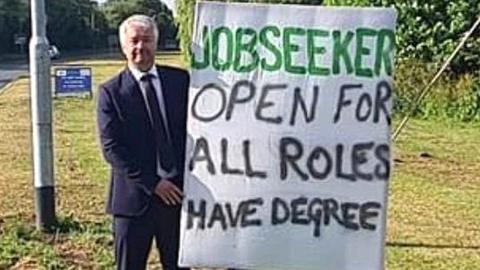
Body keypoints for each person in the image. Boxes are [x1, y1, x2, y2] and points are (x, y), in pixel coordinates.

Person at [97, 14, 190, 270]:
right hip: (133, 202)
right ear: (124, 47)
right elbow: (112, 149)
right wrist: (154, 183)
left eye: (147, 40)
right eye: (134, 41)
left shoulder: (181, 81)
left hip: (178, 197)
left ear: (156, 43)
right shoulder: (110, 92)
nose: (141, 47)